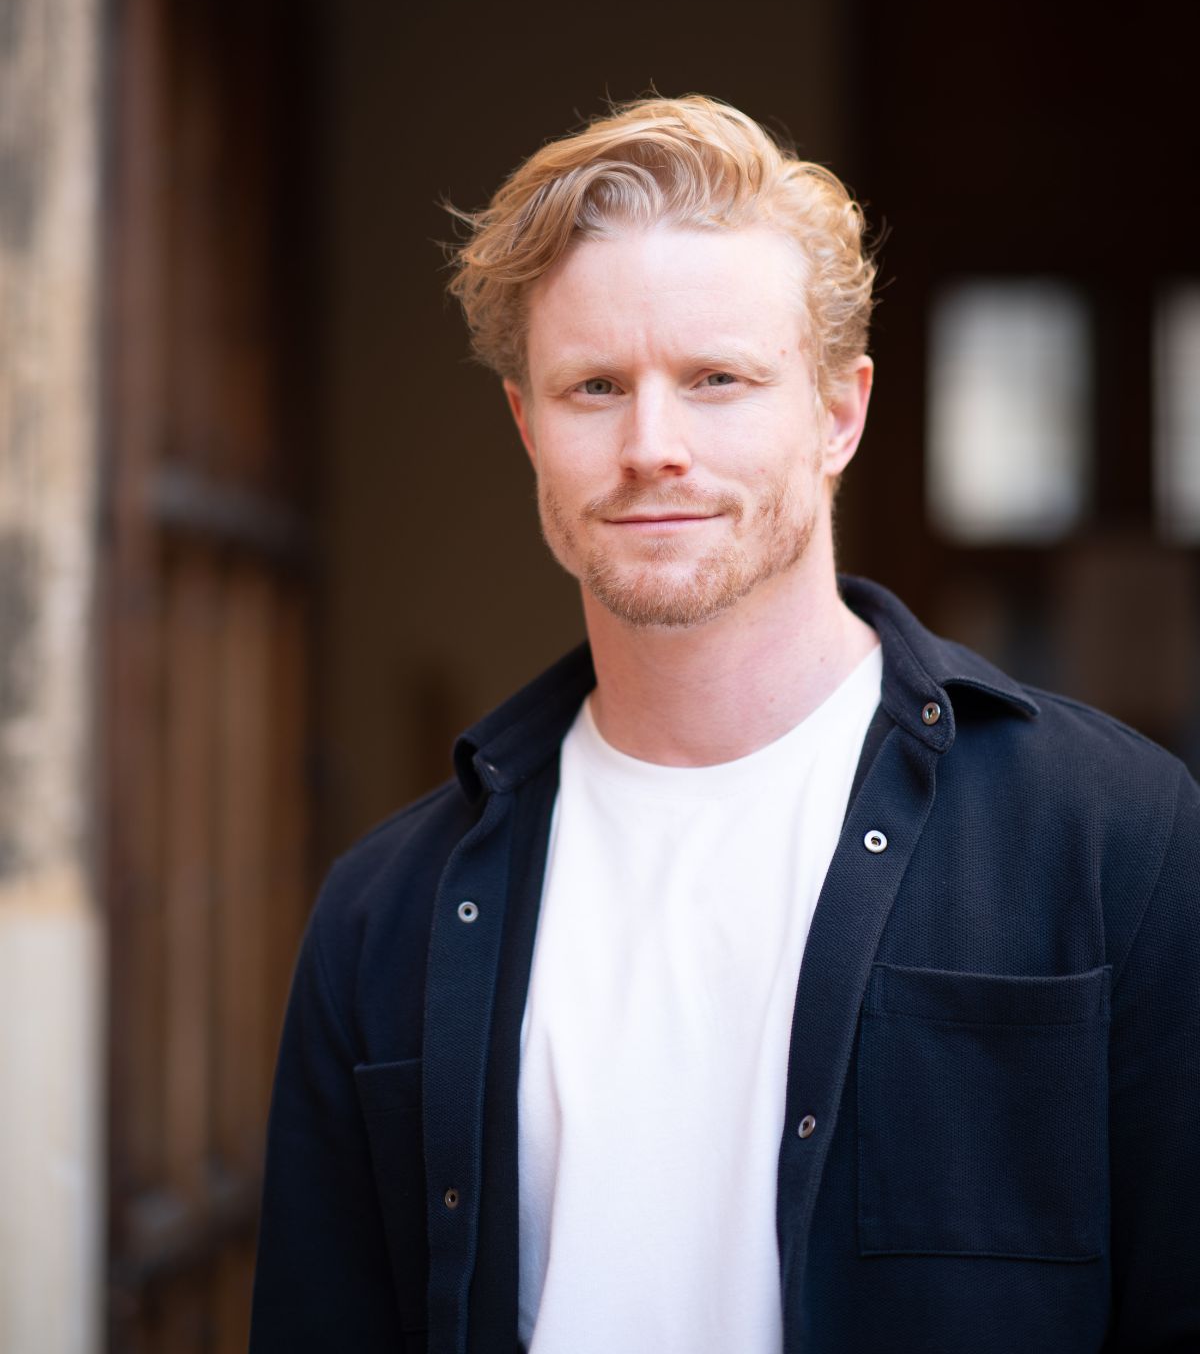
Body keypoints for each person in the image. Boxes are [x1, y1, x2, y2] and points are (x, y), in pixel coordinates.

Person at [250, 95, 1200, 1354]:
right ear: (530, 428)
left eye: (717, 380)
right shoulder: (387, 913)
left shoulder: (1117, 840)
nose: (654, 446)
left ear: (840, 415)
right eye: (594, 387)